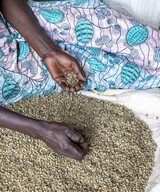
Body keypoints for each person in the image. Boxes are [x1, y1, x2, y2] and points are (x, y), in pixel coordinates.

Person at [0, 0, 159, 160]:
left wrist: (48, 52)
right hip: (18, 78)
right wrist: (40, 130)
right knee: (129, 74)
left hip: (30, 24)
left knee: (141, 45)